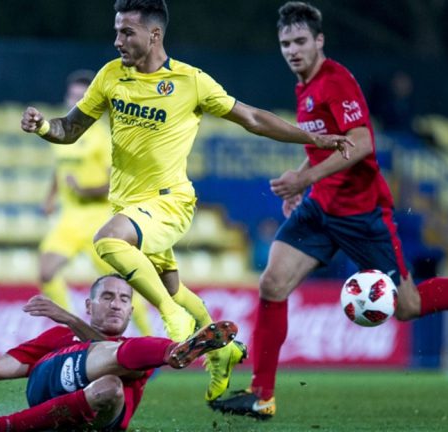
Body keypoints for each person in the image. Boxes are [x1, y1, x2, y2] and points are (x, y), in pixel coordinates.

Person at [210, 2, 448, 420]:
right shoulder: (303, 88)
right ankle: (262, 396)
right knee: (272, 284)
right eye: (285, 43)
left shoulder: (336, 81)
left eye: (300, 41)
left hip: (362, 215)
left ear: (319, 40)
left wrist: (304, 181)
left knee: (408, 305)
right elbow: (329, 144)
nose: (292, 50)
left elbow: (361, 143)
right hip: (319, 210)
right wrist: (302, 175)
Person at [20, 0, 353, 403]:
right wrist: (42, 127)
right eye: (116, 31)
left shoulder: (191, 82)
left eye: (126, 32)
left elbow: (252, 118)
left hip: (169, 203)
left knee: (108, 243)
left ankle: (170, 317)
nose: (117, 40)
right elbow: (69, 128)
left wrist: (313, 138)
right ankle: (223, 352)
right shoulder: (110, 76)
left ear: (154, 35)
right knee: (174, 287)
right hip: (130, 206)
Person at [0, 274, 238, 432]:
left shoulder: (136, 350)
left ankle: (174, 351)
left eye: (125, 300)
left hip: (102, 416)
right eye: (108, 297)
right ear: (89, 305)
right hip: (47, 388)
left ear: (130, 310)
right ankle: (174, 351)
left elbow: (117, 361)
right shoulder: (59, 335)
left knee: (112, 384)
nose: (116, 304)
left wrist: (69, 316)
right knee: (112, 357)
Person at [39, 69, 152, 336]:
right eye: (73, 97)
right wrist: (51, 196)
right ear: (66, 99)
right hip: (69, 219)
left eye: (83, 97)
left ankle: (151, 340)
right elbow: (60, 170)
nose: (76, 102)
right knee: (46, 272)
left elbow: (115, 183)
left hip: (99, 220)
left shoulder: (103, 137)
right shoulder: (61, 134)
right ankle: (75, 334)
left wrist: (85, 190)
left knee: (124, 284)